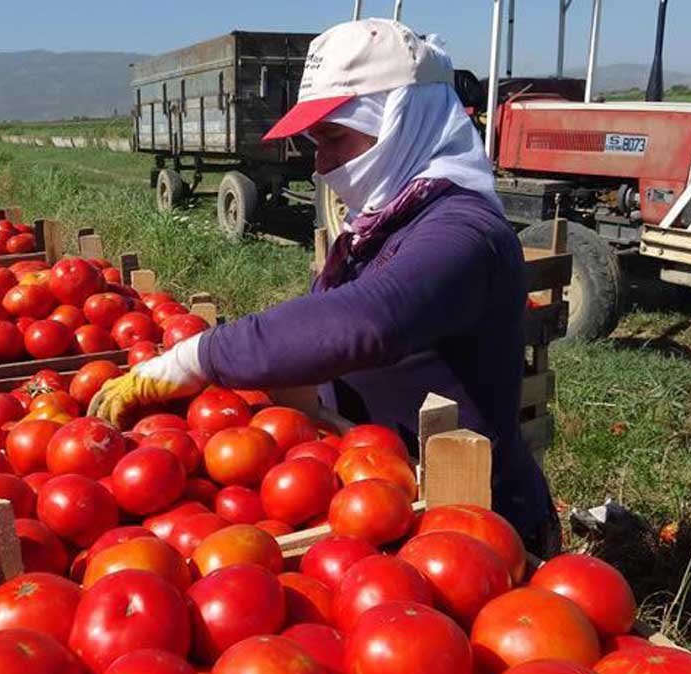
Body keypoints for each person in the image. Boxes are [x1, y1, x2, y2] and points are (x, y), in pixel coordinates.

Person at [89, 19, 558, 553]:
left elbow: (367, 321)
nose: (320, 162)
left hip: (475, 525)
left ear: (404, 121)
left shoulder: (464, 231)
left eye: (333, 137)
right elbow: (325, 323)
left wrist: (195, 357)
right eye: (315, 141)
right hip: (387, 495)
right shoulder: (383, 221)